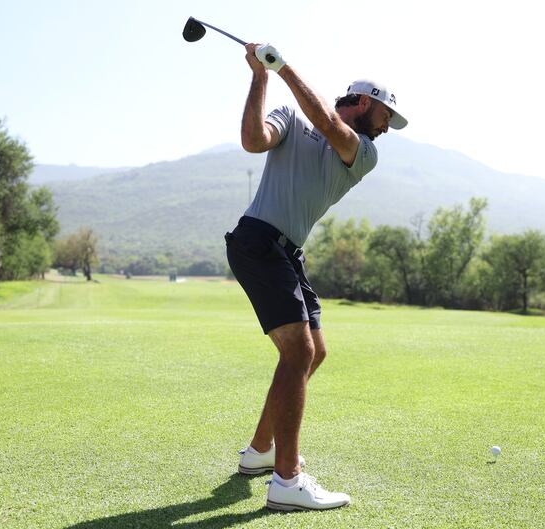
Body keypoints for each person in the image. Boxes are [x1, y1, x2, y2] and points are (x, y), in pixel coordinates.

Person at [224, 42, 408, 512]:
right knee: (299, 351)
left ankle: (261, 450)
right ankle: (287, 481)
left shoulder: (364, 152)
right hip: (258, 240)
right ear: (364, 102)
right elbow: (253, 141)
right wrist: (261, 78)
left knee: (313, 352)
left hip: (288, 252)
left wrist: (282, 67)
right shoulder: (292, 116)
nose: (386, 127)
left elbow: (328, 123)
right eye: (386, 115)